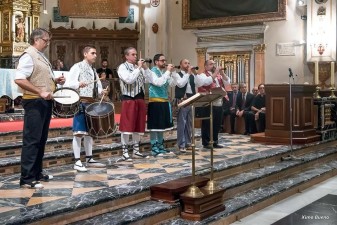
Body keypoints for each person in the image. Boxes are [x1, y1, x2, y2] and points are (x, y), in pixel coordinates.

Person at [15, 28, 65, 189]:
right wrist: (40, 91)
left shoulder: (40, 56)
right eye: (46, 40)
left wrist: (55, 80)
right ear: (36, 40)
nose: (47, 43)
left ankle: (37, 173)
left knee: (41, 139)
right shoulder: (28, 55)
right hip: (34, 102)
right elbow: (20, 79)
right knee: (32, 140)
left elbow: (39, 77)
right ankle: (27, 178)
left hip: (43, 101)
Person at [117, 47, 171, 161]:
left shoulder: (139, 68)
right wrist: (139, 68)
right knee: (127, 127)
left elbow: (153, 80)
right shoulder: (122, 67)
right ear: (126, 56)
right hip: (128, 99)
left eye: (136, 54)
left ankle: (136, 151)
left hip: (140, 99)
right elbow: (129, 79)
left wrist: (145, 69)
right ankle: (125, 152)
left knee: (138, 126)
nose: (135, 57)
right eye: (133, 54)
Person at [65, 45, 107, 172]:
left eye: (96, 53)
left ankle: (89, 158)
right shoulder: (77, 67)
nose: (95, 55)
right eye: (93, 53)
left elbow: (97, 87)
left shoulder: (93, 70)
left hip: (91, 103)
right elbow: (68, 84)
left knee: (90, 132)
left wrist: (102, 91)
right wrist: (78, 83)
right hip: (80, 102)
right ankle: (77, 161)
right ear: (85, 54)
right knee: (78, 133)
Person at [173, 59, 212, 152]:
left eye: (189, 63)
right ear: (181, 65)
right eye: (185, 63)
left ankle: (188, 143)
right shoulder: (177, 74)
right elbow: (181, 84)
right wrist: (188, 73)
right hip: (182, 99)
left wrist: (195, 73)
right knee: (182, 123)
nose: (188, 65)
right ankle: (181, 144)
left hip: (192, 99)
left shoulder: (191, 75)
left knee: (190, 123)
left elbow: (200, 83)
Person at [197, 60, 230, 149]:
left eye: (214, 64)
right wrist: (215, 72)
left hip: (219, 101)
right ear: (206, 66)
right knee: (207, 123)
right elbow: (207, 82)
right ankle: (206, 142)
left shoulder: (218, 75)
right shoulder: (202, 75)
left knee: (217, 123)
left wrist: (222, 73)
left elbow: (227, 83)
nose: (213, 66)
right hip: (208, 102)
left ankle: (215, 141)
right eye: (211, 64)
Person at [148, 54, 175, 156]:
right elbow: (158, 82)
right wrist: (168, 72)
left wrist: (172, 73)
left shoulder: (163, 72)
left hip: (164, 101)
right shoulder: (152, 72)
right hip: (155, 101)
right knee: (155, 126)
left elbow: (172, 84)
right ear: (156, 62)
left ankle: (160, 145)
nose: (164, 62)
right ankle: (154, 147)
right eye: (162, 60)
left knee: (161, 126)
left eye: (165, 60)